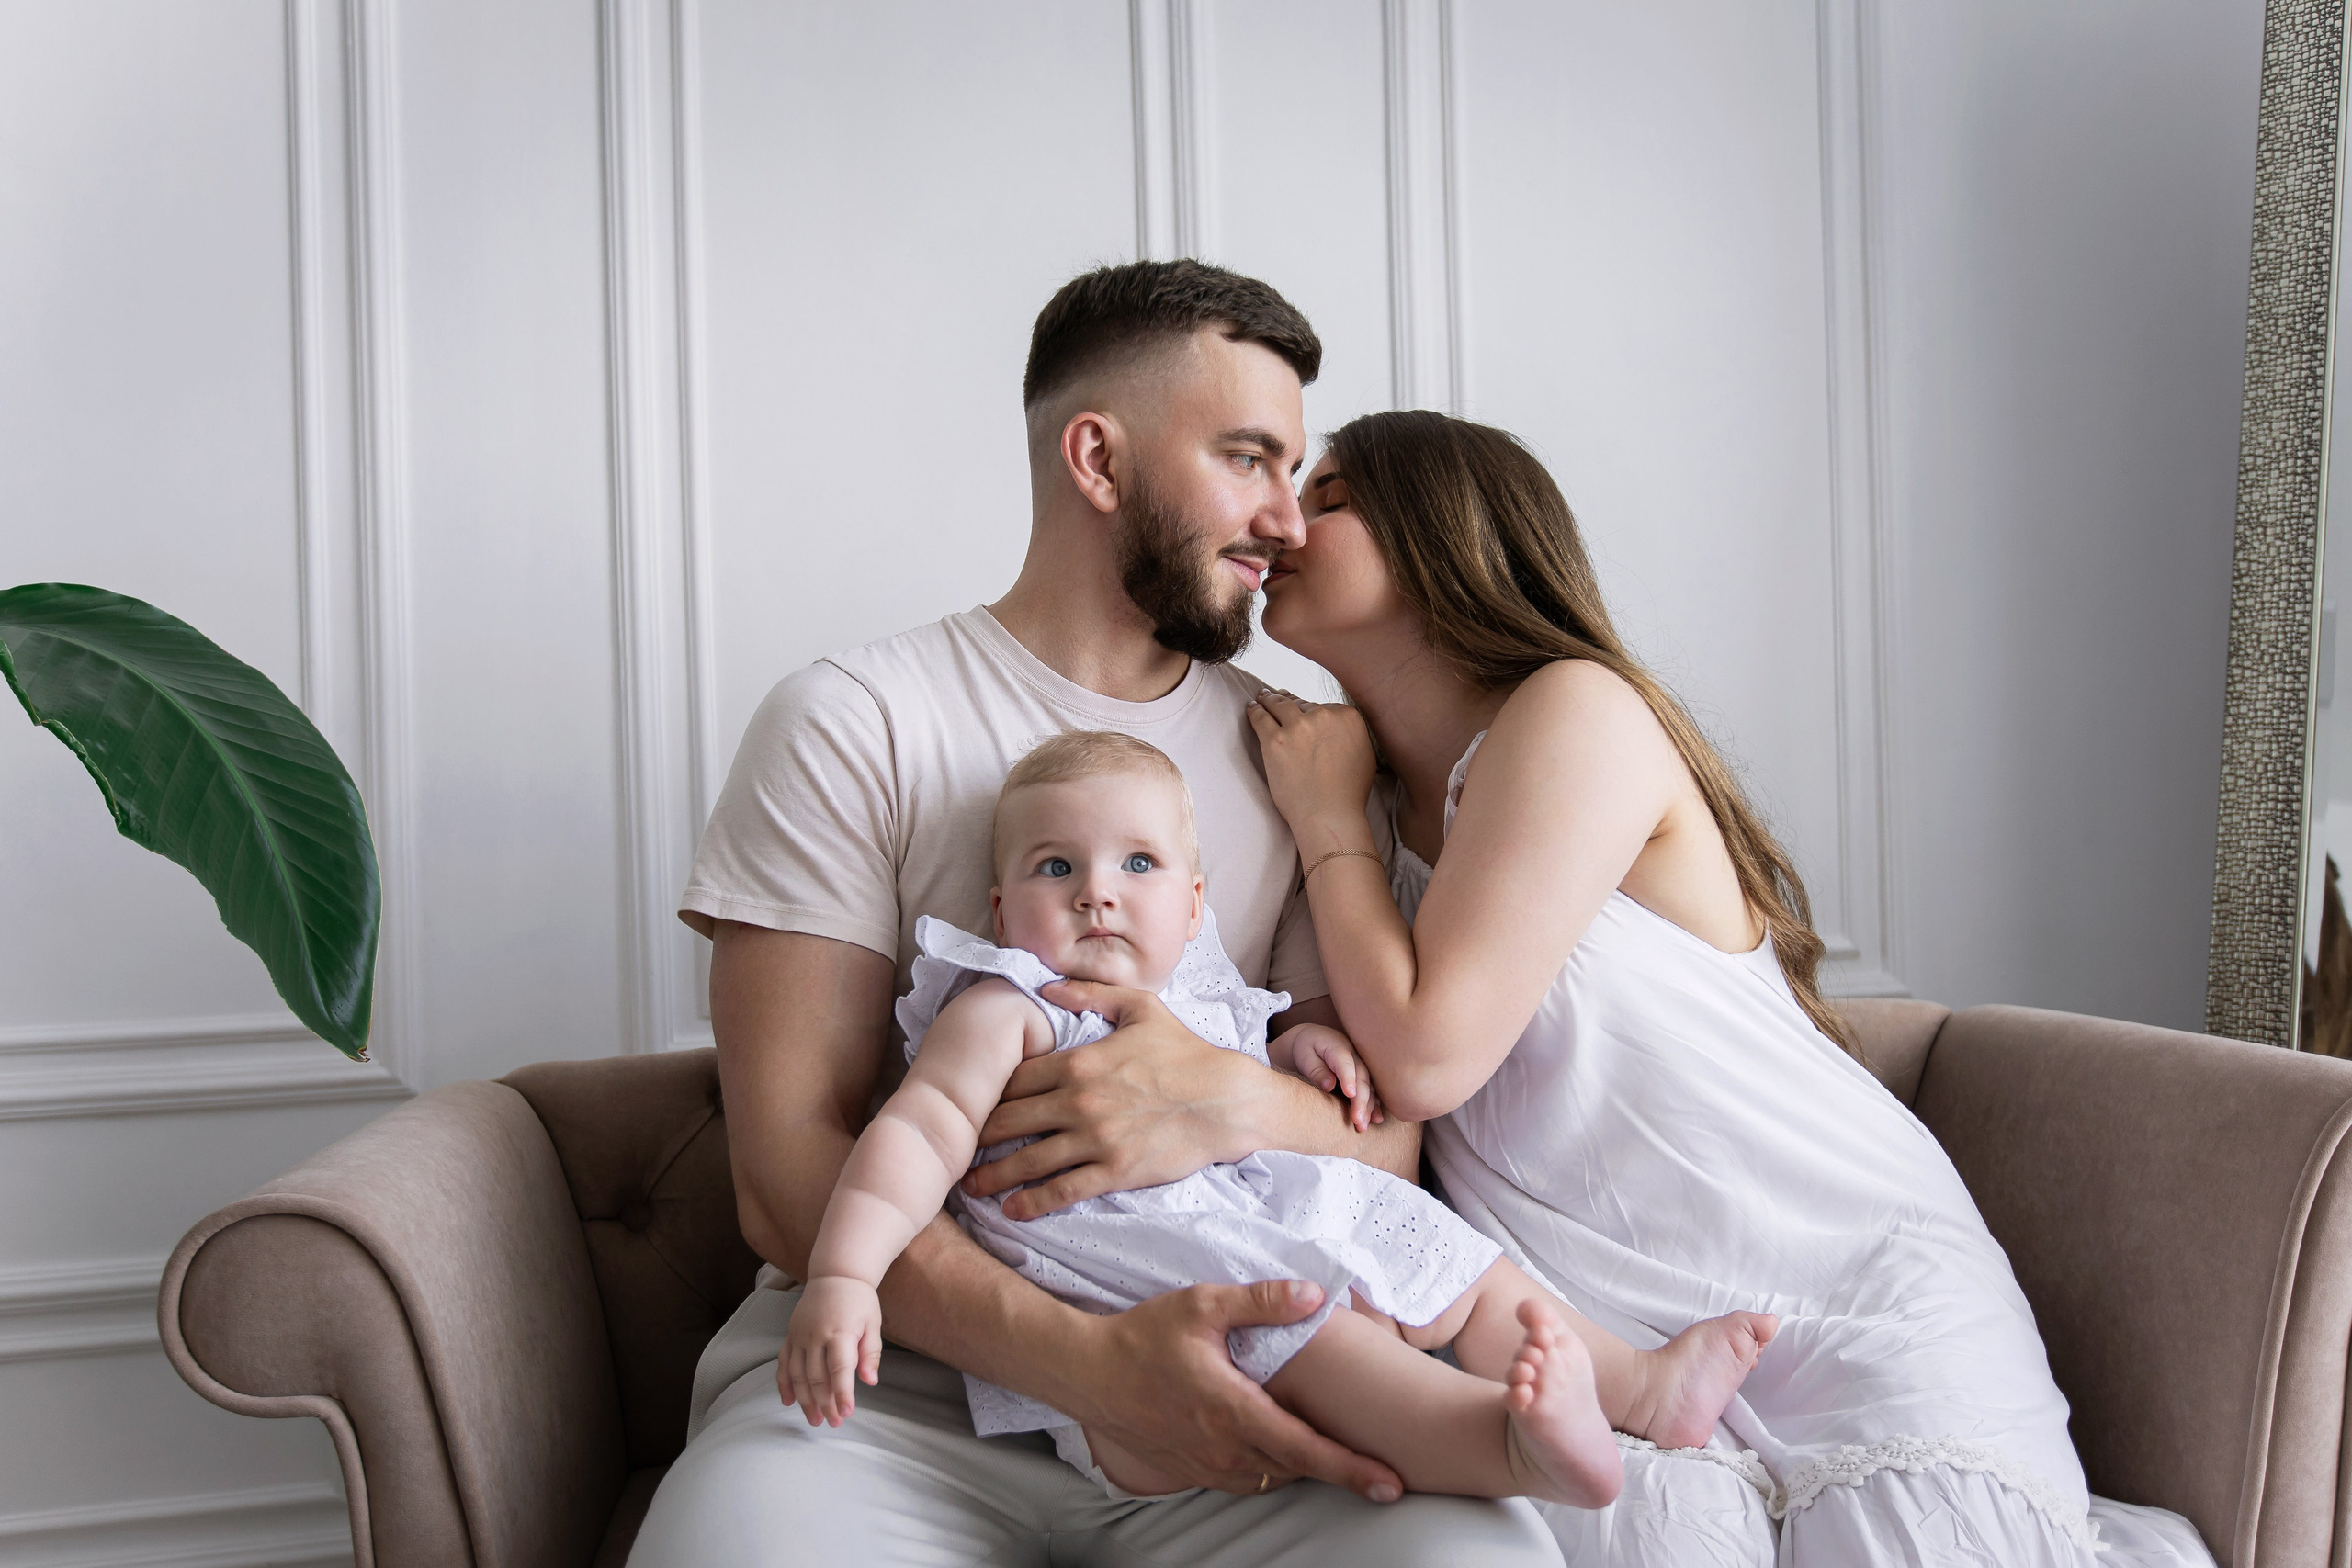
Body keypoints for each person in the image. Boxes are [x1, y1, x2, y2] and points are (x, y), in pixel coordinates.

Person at [626, 265, 1566, 1562]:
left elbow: (1379, 1139)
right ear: (1097, 458)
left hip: (1253, 1365)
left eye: (1296, 472)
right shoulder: (855, 719)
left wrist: (1219, 1098)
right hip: (893, 1390)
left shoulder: (1292, 752)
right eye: (1249, 459)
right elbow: (789, 1179)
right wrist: (1091, 1365)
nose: (1287, 520)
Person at [1240, 408, 2220, 1566]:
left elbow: (1425, 1054)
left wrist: (1320, 824)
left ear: (1447, 533)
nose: (1282, 516)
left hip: (1828, 1291)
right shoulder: (1349, 801)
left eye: (1335, 495)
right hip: (1612, 1360)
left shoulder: (1571, 711)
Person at [783, 729, 1779, 1509]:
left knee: (1447, 1251)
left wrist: (1298, 1058)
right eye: (1055, 869)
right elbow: (915, 1135)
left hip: (1259, 1214)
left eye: (1138, 865)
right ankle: (1507, 1447)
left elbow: (1255, 1089)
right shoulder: (1011, 1007)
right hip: (1133, 1286)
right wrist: (844, 1274)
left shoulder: (1204, 998)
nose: (1096, 894)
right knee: (1318, 1336)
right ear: (1001, 916)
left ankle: (1635, 1387)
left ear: (1193, 907)